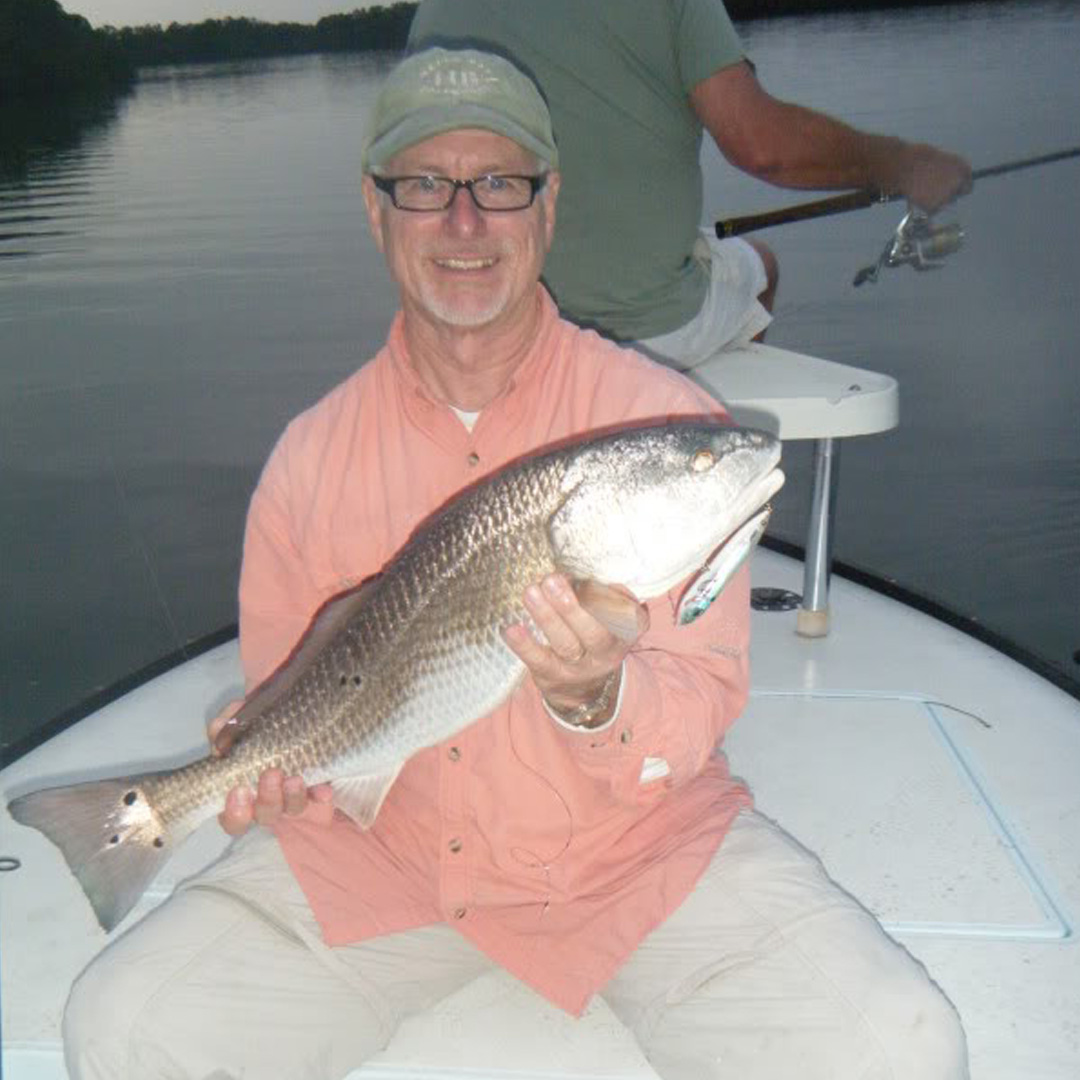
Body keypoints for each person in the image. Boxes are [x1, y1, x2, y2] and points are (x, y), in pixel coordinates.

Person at [61, 47, 967, 1080]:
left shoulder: (662, 426)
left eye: (499, 183)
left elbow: (701, 696)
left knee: (899, 1050)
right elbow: (291, 695)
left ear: (548, 207)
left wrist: (597, 700)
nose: (463, 222)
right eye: (424, 186)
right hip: (380, 865)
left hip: (628, 860)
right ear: (375, 210)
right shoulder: (309, 461)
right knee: (125, 1030)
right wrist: (265, 772)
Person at [408, 0, 973, 370]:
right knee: (762, 267)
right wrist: (903, 162)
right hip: (643, 330)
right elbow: (762, 147)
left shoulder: (436, 10)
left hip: (480, 330)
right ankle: (704, 475)